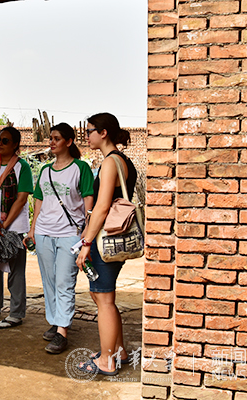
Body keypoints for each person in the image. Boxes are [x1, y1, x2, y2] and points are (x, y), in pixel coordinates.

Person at [76, 112, 137, 376]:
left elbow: (101, 207)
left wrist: (86, 242)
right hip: (112, 236)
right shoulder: (123, 160)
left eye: (89, 131)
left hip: (105, 239)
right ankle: (118, 351)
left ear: (103, 133)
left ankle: (106, 361)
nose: (86, 136)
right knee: (103, 296)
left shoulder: (111, 162)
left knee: (104, 299)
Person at [27, 123, 94, 354]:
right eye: (51, 138)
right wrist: (32, 229)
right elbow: (38, 201)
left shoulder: (80, 168)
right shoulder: (45, 170)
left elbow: (88, 200)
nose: (52, 142)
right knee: (49, 280)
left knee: (64, 281)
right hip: (44, 232)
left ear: (69, 141)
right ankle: (56, 321)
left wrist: (87, 229)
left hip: (69, 234)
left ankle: (62, 331)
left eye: (56, 138)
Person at [0, 126, 33, 328]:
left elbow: (22, 198)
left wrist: (5, 224)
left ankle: (16, 313)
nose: (0, 144)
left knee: (16, 270)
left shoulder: (22, 167)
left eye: (5, 141)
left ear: (15, 144)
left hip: (15, 227)